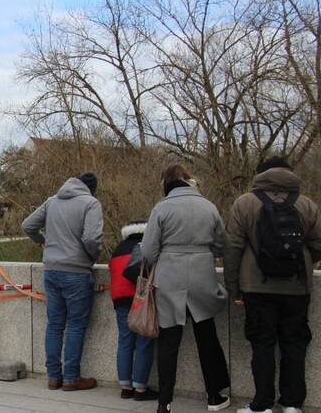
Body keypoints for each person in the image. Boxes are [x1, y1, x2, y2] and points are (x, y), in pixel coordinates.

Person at [223, 157, 321, 413]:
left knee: (262, 344)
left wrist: (234, 287)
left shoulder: (245, 203)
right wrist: (301, 263)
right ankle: (292, 404)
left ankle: (262, 404)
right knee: (294, 344)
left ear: (260, 175)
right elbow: (318, 243)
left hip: (257, 287)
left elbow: (232, 247)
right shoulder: (307, 204)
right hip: (297, 288)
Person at [140, 163, 230, 413]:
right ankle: (215, 396)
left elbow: (147, 250)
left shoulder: (162, 208)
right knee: (207, 336)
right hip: (202, 277)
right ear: (189, 180)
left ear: (166, 184)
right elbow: (222, 245)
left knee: (169, 342)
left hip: (169, 279)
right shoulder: (208, 206)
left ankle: (164, 403)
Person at [21, 171, 103, 391]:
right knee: (76, 326)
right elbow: (92, 239)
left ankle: (54, 377)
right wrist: (91, 257)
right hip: (76, 272)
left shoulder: (52, 201)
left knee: (54, 326)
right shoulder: (91, 203)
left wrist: (43, 242)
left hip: (51, 271)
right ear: (92, 189)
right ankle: (72, 377)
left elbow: (28, 225)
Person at [108, 220, 158, 401]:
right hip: (140, 298)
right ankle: (140, 389)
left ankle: (125, 387)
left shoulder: (118, 248)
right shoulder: (147, 246)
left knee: (125, 342)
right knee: (143, 341)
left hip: (119, 298)